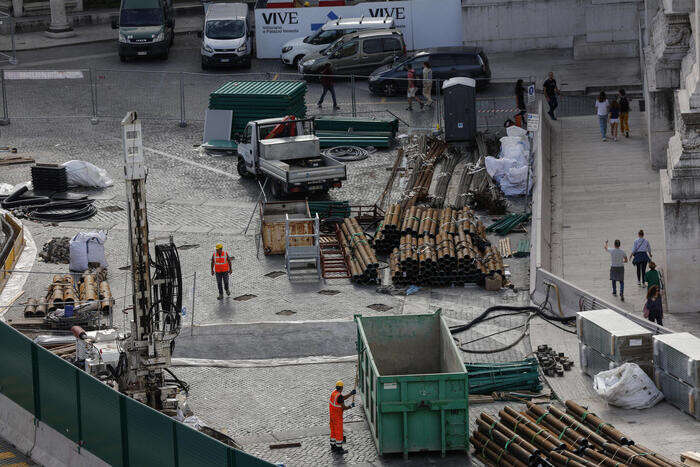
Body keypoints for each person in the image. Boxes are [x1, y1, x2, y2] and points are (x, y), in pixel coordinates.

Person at [329, 380, 356, 454]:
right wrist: (350, 406)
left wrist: (350, 394)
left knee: (333, 431)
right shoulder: (339, 396)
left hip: (332, 416)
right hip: (337, 417)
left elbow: (342, 398)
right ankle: (339, 449)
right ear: (341, 388)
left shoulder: (334, 393)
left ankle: (333, 446)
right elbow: (343, 407)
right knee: (339, 433)